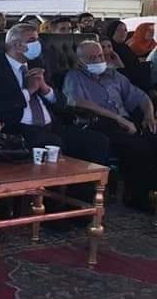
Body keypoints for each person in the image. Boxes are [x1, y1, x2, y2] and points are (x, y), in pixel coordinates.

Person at [0, 23, 109, 164]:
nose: (37, 44)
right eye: (32, 40)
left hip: (51, 126)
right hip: (17, 129)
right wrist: (29, 91)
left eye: (37, 39)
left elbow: (61, 102)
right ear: (16, 45)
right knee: (52, 142)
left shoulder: (36, 63)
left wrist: (45, 89)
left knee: (98, 141)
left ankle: (90, 179)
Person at [63, 40, 157, 211]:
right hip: (98, 122)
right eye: (92, 57)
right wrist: (118, 118)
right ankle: (136, 197)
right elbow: (78, 102)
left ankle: (148, 190)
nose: (98, 60)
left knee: (153, 137)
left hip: (126, 120)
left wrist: (149, 115)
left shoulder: (113, 75)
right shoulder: (75, 77)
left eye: (100, 55)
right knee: (139, 148)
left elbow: (141, 97)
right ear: (81, 60)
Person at [106, 20, 150, 94]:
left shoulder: (125, 47)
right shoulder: (110, 49)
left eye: (125, 30)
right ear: (112, 31)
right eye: (119, 30)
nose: (123, 33)